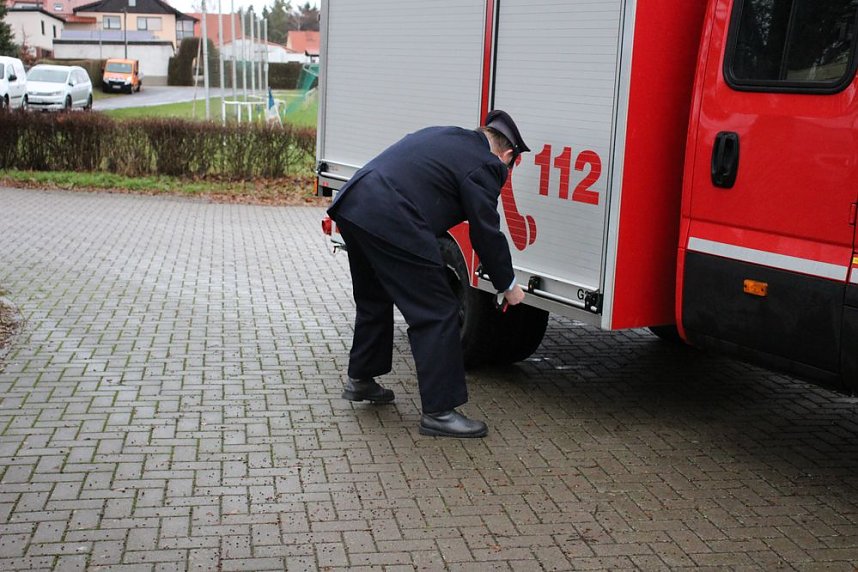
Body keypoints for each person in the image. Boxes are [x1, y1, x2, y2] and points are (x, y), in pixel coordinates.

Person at [327, 110, 530, 438]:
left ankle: (361, 378)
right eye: (511, 165)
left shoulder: (447, 135)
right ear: (507, 155)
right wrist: (507, 284)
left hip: (354, 204)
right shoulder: (486, 164)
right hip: (392, 217)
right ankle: (440, 412)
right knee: (437, 310)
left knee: (374, 296)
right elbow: (485, 232)